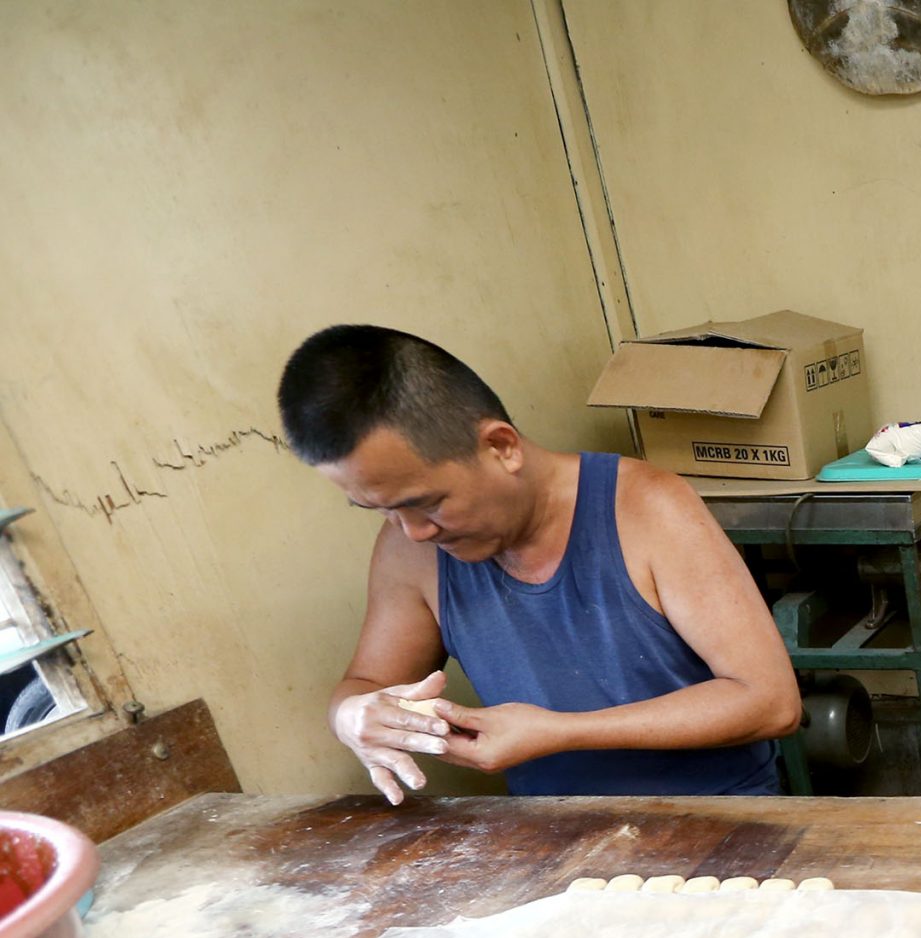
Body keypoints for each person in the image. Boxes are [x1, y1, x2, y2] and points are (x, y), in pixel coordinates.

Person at [278, 325, 800, 802]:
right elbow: (366, 682)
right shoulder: (409, 548)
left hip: (721, 820)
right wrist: (352, 717)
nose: (415, 531)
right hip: (550, 834)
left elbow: (769, 701)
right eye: (382, 509)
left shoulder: (647, 507)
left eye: (429, 502)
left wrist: (561, 731)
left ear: (502, 446)